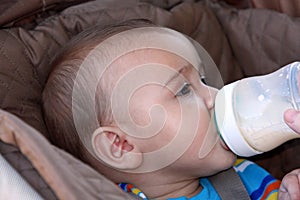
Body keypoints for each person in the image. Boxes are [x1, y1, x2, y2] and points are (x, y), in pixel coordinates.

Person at [42, 19, 299, 199]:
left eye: (204, 81)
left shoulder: (244, 175)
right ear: (122, 145)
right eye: (184, 90)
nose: (214, 96)